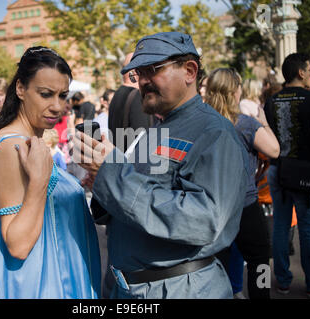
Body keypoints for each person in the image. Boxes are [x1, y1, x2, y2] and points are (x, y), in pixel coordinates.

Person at [74, 32, 249, 299]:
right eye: (138, 73)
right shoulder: (156, 128)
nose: (143, 81)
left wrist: (112, 174)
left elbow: (203, 220)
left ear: (190, 71)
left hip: (178, 288)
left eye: (152, 70)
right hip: (128, 286)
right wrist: (101, 182)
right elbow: (140, 199)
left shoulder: (215, 133)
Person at [0, 46, 100, 299]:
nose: (57, 106)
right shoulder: (12, 147)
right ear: (20, 89)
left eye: (63, 95)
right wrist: (39, 181)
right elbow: (18, 244)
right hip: (39, 286)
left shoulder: (25, 140)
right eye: (46, 94)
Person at [264, 53, 310, 298]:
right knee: (307, 228)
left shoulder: (272, 100)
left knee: (281, 225)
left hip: (278, 170)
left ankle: (282, 281)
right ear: (300, 72)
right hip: (304, 171)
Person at [206, 68, 280, 299]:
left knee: (219, 262)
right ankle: (261, 296)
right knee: (260, 259)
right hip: (244, 204)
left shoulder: (202, 123)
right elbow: (274, 150)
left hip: (212, 205)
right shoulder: (245, 124)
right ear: (235, 91)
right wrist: (265, 123)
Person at [108, 52, 154, 153]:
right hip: (133, 163)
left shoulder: (117, 95)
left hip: (120, 159)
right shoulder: (137, 96)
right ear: (135, 72)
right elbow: (142, 138)